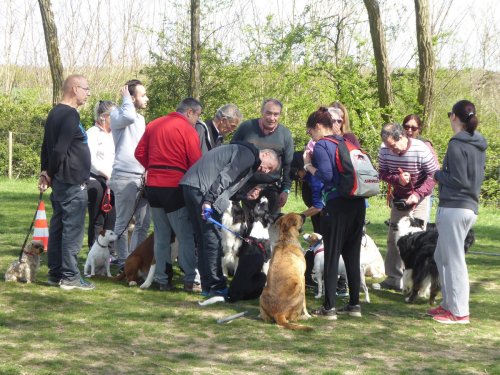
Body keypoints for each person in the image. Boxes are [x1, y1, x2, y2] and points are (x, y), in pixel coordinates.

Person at [180, 143, 279, 297]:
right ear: (265, 155)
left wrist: (243, 196)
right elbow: (225, 177)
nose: (266, 171)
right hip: (202, 189)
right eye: (269, 167)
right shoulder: (248, 154)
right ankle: (217, 286)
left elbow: (228, 189)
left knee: (203, 238)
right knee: (212, 238)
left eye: (269, 171)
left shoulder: (245, 155)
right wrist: (208, 200)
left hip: (191, 185)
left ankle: (207, 286)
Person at [303, 107, 366, 319]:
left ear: (319, 127)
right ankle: (354, 305)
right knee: (352, 255)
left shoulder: (323, 145)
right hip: (358, 203)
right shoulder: (347, 142)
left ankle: (329, 307)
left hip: (337, 205)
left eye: (311, 131)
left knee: (331, 255)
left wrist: (308, 165)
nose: (311, 136)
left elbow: (327, 177)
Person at [135, 98, 203, 292]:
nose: (197, 120)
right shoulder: (187, 129)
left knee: (162, 235)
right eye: (197, 115)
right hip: (174, 185)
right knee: (185, 235)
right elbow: (195, 161)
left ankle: (163, 280)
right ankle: (190, 279)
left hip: (154, 185)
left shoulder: (154, 124)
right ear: (189, 112)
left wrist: (152, 167)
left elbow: (139, 153)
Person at [429, 100, 487, 324]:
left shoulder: (456, 144)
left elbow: (458, 179)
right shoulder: (477, 142)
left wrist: (437, 175)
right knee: (441, 256)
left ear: (454, 117)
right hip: (467, 207)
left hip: (455, 206)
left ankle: (459, 312)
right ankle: (448, 305)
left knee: (454, 260)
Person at [38, 74, 95, 290]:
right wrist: (49, 172)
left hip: (61, 179)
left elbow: (47, 146)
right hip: (71, 181)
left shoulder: (54, 112)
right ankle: (70, 277)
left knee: (59, 225)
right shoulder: (70, 114)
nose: (88, 93)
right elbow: (59, 149)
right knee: (72, 229)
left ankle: (55, 274)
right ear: (74, 88)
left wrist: (45, 172)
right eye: (86, 88)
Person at [374, 122, 439, 291]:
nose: (391, 150)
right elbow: (381, 173)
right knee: (394, 238)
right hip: (400, 198)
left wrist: (417, 195)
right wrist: (398, 180)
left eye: (393, 146)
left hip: (421, 197)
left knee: (418, 241)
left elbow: (434, 175)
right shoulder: (384, 149)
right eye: (388, 146)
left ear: (402, 137)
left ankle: (418, 281)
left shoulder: (421, 149)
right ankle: (393, 278)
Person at [109, 80, 151, 269]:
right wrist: (126, 98)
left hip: (142, 177)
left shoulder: (141, 119)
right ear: (132, 97)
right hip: (124, 176)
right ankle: (122, 261)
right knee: (123, 223)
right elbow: (128, 116)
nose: (147, 98)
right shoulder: (117, 114)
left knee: (143, 223)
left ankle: (135, 260)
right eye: (143, 95)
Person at [231, 98, 294, 213]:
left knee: (272, 227)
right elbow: (232, 153)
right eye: (268, 113)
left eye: (276, 114)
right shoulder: (246, 128)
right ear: (261, 112)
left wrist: (286, 190)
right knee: (248, 226)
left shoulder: (285, 134)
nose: (272, 118)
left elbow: (288, 165)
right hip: (246, 187)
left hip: (272, 189)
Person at [86, 100, 116, 250]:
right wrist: (106, 174)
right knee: (98, 218)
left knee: (112, 218)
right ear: (104, 116)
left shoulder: (114, 135)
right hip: (96, 181)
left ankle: (110, 252)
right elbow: (91, 160)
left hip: (113, 181)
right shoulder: (92, 133)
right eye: (114, 116)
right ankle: (94, 249)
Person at [401, 114, 439, 221]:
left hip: (422, 195)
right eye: (406, 127)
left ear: (419, 129)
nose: (409, 130)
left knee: (418, 232)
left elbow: (435, 171)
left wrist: (419, 193)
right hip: (402, 194)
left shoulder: (425, 145)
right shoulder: (398, 145)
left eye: (413, 128)